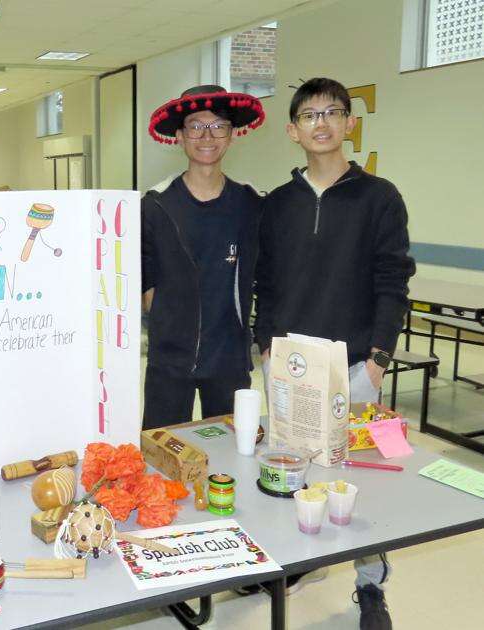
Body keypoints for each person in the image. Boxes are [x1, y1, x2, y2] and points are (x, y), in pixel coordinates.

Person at [254, 78, 415, 630]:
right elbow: (266, 283)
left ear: (349, 122)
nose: (320, 123)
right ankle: (300, 557)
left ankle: (370, 586)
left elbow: (393, 279)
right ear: (292, 129)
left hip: (354, 367)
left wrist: (378, 357)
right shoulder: (277, 205)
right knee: (293, 470)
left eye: (332, 112)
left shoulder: (380, 197)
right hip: (290, 369)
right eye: (309, 114)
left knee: (358, 481)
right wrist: (266, 346)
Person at [141, 85, 266, 429]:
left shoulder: (250, 204)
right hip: (169, 360)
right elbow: (144, 277)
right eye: (196, 126)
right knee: (162, 448)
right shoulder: (156, 205)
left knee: (232, 447)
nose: (207, 136)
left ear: (232, 135)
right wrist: (167, 316)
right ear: (180, 136)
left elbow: (265, 274)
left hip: (229, 359)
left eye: (218, 126)